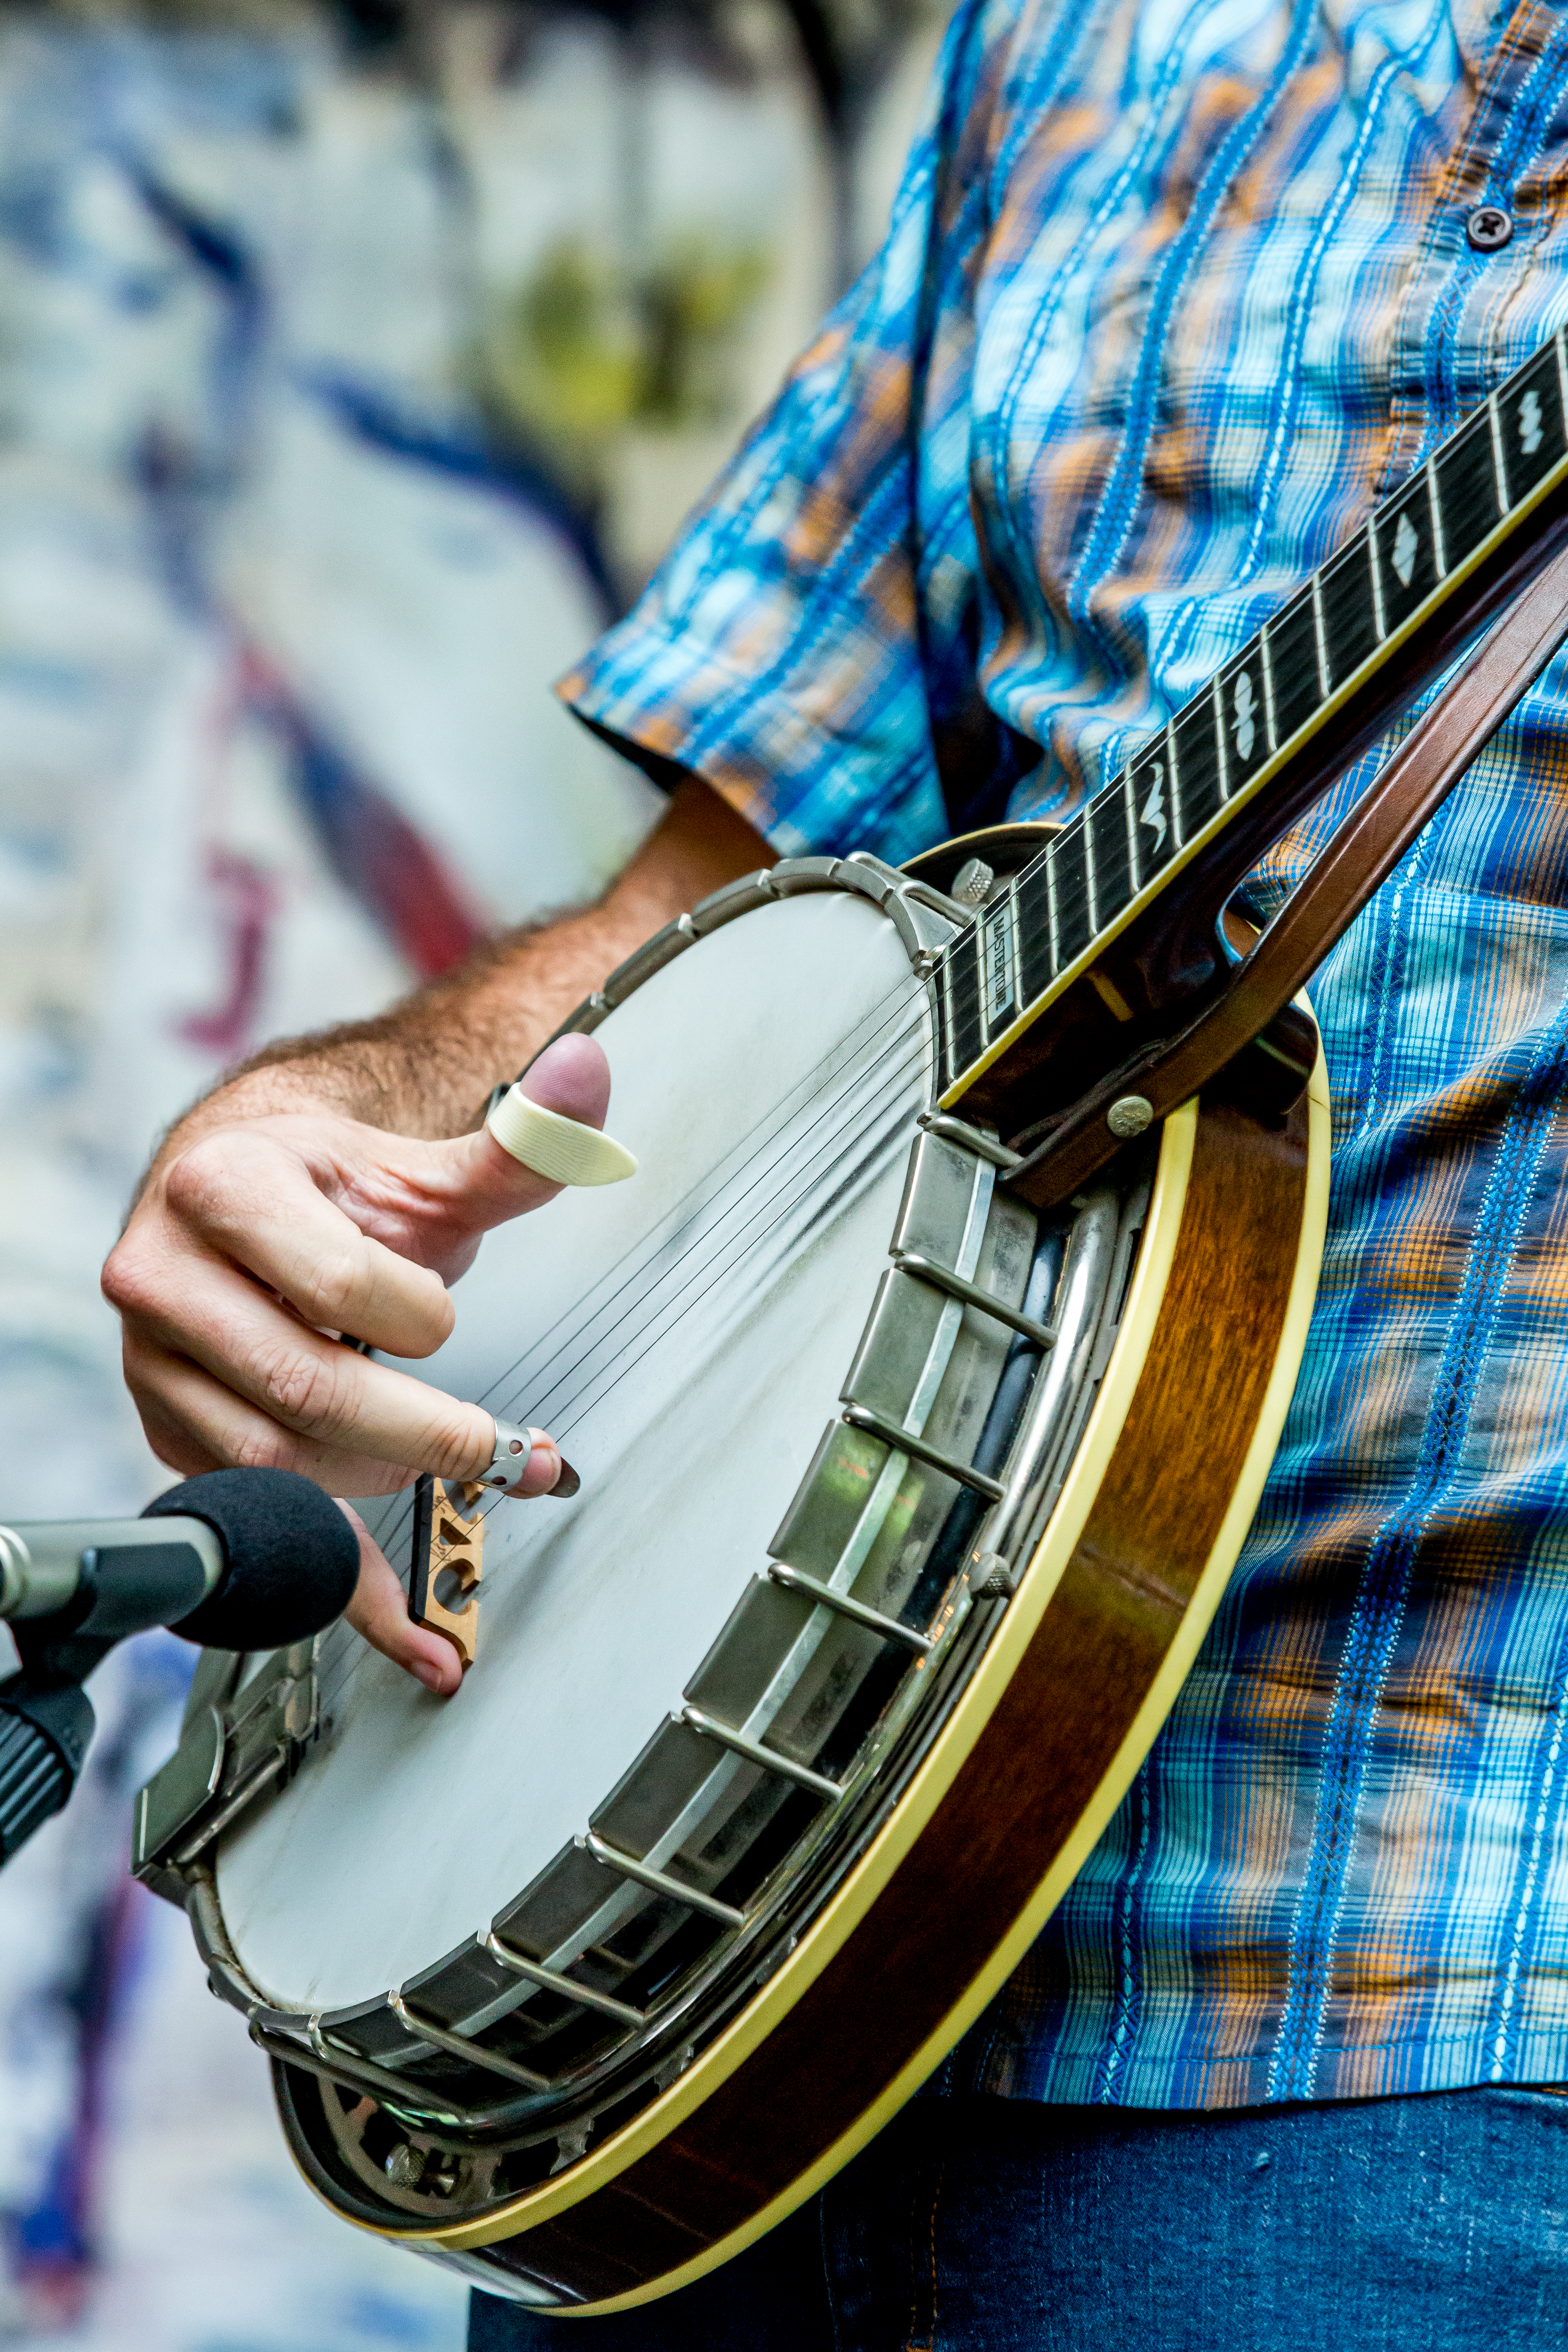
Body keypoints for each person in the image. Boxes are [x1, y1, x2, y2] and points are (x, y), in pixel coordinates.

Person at [103, 0, 1568, 2339]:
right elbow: (734, 873)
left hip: (1430, 2044)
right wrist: (351, 1134)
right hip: (697, 2008)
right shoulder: (1094, 41)